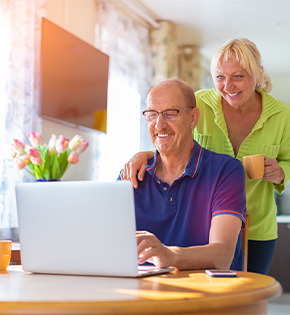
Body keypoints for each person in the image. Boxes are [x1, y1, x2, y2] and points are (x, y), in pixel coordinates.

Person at [121, 38, 290, 274]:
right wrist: (146, 154)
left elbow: (288, 159)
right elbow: (171, 137)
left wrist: (281, 172)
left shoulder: (281, 115)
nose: (228, 86)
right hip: (203, 220)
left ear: (258, 75)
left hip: (257, 224)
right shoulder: (199, 102)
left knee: (249, 297)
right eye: (220, 77)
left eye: (238, 76)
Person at [119, 78, 246, 271]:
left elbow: (222, 255)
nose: (159, 125)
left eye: (170, 114)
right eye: (152, 115)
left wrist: (169, 255)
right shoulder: (131, 174)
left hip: (208, 295)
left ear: (193, 118)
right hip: (140, 293)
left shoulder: (226, 171)